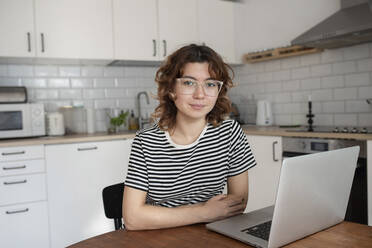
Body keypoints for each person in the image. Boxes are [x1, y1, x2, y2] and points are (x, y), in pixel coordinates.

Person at [123, 44, 256, 230]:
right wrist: (205, 212)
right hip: (156, 238)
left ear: (218, 91)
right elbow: (133, 218)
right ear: (171, 89)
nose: (200, 94)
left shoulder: (230, 133)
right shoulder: (145, 141)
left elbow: (237, 205)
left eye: (210, 84)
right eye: (188, 83)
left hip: (206, 237)